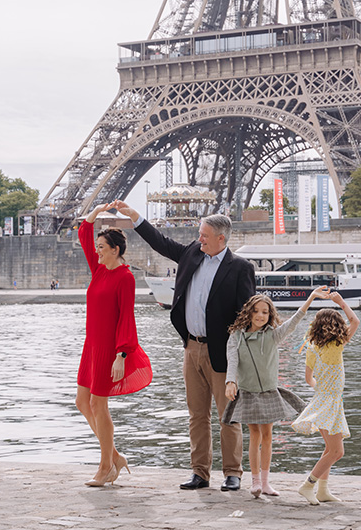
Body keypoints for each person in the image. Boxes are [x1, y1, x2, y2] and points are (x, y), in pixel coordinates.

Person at [113, 200, 255, 492]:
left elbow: (247, 314)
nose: (198, 238)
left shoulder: (240, 268)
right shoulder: (192, 253)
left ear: (221, 239)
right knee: (196, 415)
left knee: (228, 414)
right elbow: (160, 242)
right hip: (191, 348)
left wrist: (242, 358)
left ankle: (232, 472)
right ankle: (200, 472)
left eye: (204, 235)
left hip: (224, 352)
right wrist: (135, 217)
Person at [223, 286, 332, 498]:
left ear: (270, 315)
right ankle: (254, 481)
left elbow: (294, 322)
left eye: (265, 312)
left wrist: (310, 298)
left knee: (268, 435)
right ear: (249, 312)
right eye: (256, 311)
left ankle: (265, 483)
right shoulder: (237, 336)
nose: (261, 316)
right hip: (249, 392)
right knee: (254, 435)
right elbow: (232, 359)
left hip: (269, 392)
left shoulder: (273, 335)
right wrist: (230, 381)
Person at [76, 203, 153, 487]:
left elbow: (126, 318)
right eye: (97, 246)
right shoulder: (99, 270)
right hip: (92, 345)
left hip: (110, 348)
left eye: (102, 247)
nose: (96, 250)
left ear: (115, 250)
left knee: (99, 405)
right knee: (82, 403)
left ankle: (106, 466)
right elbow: (84, 233)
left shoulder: (125, 278)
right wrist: (95, 212)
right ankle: (116, 457)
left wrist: (121, 354)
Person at [292, 290, 359, 505]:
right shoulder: (337, 344)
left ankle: (322, 490)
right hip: (330, 401)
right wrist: (340, 301)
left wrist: (321, 387)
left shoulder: (312, 348)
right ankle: (308, 485)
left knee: (329, 449)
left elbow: (308, 378)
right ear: (337, 326)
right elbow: (354, 320)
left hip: (323, 399)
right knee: (337, 452)